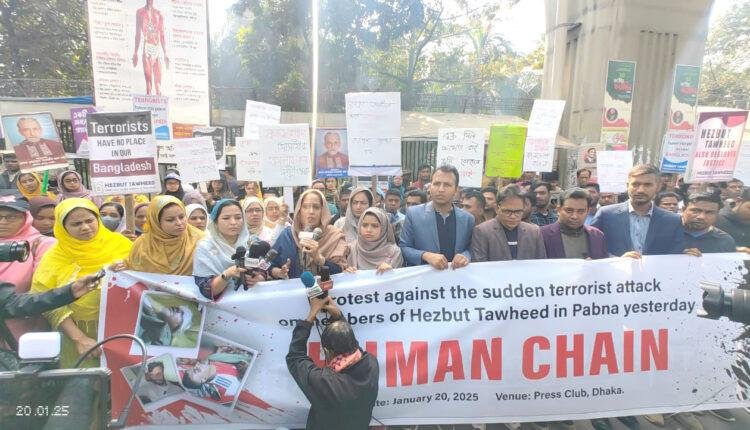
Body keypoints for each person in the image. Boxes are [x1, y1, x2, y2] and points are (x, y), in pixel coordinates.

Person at [31, 198, 133, 368]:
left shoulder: (121, 244)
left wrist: (127, 268)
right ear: (63, 227)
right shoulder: (54, 257)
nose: (85, 227)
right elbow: (46, 301)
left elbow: (142, 278)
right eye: (76, 224)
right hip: (79, 335)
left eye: (89, 220)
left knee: (125, 378)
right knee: (86, 381)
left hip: (125, 330)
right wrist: (79, 338)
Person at [287, 295, 378, 430]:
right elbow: (353, 347)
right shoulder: (371, 363)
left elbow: (295, 357)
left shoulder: (322, 381)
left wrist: (311, 316)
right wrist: (339, 317)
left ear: (326, 351)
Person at [591, 164, 684, 257]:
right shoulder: (606, 215)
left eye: (647, 185)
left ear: (658, 187)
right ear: (627, 186)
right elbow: (592, 248)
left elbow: (675, 253)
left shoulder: (673, 220)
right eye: (635, 184)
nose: (640, 190)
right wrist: (617, 260)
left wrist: (687, 255)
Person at [0, 196, 56, 350]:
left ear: (26, 218)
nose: (3, 222)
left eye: (11, 217)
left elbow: (43, 289)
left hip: (26, 329)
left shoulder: (42, 244)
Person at [399, 165, 473, 269]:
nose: (441, 189)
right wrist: (425, 255)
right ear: (430, 186)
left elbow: (471, 249)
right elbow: (404, 248)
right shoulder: (413, 214)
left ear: (456, 190)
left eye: (447, 185)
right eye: (436, 184)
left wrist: (465, 256)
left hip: (456, 276)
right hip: (424, 277)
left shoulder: (467, 219)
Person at [192, 199, 264, 300]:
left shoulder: (253, 241)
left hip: (251, 301)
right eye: (226, 218)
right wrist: (228, 274)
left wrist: (258, 278)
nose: (233, 222)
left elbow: (265, 269)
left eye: (238, 217)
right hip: (223, 306)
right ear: (215, 222)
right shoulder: (205, 247)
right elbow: (206, 290)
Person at [271, 189, 349, 279]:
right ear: (299, 211)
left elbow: (340, 271)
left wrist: (319, 259)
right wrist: (279, 272)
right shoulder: (288, 235)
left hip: (325, 287)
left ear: (323, 211)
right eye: (305, 207)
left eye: (316, 207)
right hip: (293, 287)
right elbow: (270, 265)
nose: (311, 211)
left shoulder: (334, 235)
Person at [126, 196, 204, 275]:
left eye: (181, 217)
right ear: (156, 222)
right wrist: (122, 266)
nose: (179, 223)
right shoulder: (142, 244)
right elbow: (130, 266)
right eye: (170, 220)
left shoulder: (200, 240)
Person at [471, 184, 545, 261]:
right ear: (497, 208)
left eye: (518, 211)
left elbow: (541, 263)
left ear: (523, 208)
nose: (513, 216)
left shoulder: (534, 232)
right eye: (507, 211)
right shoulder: (482, 231)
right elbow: (479, 264)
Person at [541, 188, 607, 259]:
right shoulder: (542, 235)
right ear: (559, 210)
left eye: (581, 211)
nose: (574, 216)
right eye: (569, 210)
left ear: (588, 212)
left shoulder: (597, 236)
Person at [346, 207, 403, 274]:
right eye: (364, 225)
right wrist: (346, 273)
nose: (368, 230)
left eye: (375, 226)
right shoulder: (351, 248)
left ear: (384, 228)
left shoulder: (394, 252)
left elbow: (399, 278)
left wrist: (391, 271)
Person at [133, 0, 169, 95]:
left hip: (156, 49)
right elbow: (138, 34)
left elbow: (162, 35)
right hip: (147, 49)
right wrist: (135, 52)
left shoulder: (159, 14)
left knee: (158, 87)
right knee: (149, 86)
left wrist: (165, 53)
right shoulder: (140, 12)